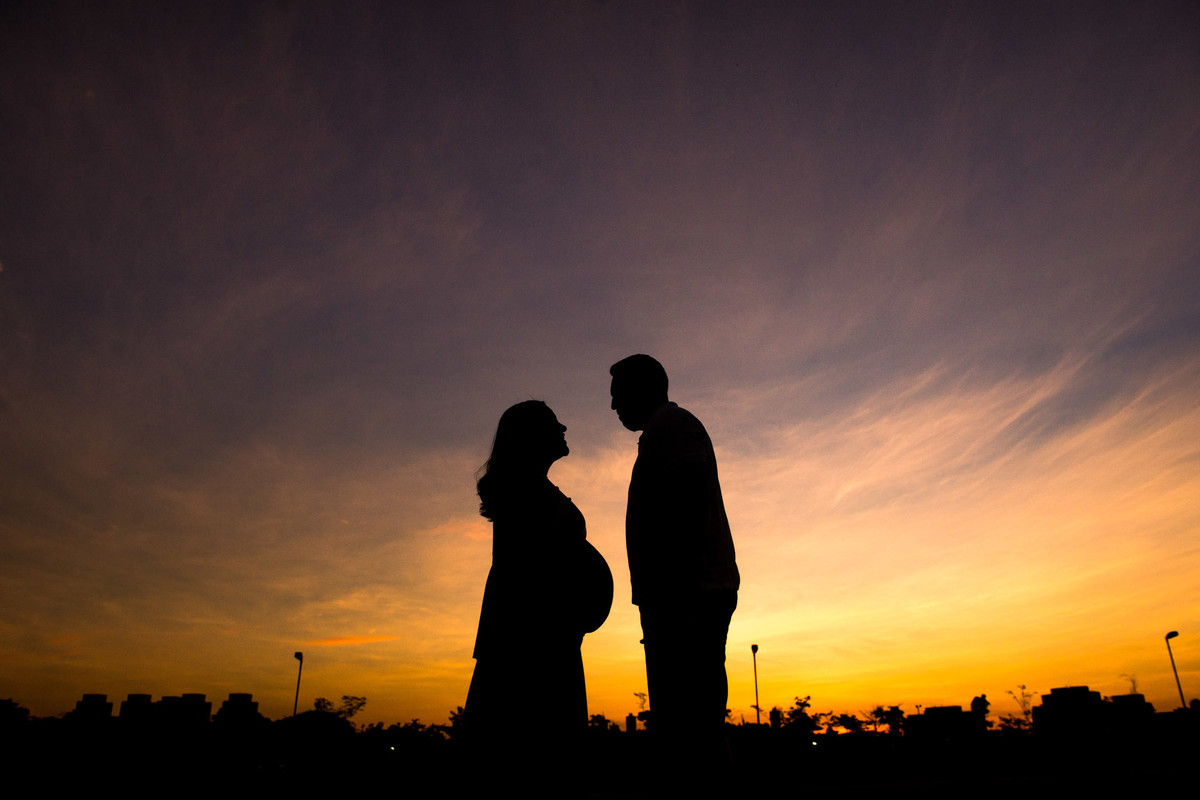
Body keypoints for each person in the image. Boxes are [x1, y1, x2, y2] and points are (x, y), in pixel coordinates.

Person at [463, 400, 612, 787]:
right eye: (551, 423)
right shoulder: (523, 495)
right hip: (531, 649)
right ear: (530, 438)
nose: (563, 427)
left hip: (551, 643)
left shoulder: (534, 490)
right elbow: (531, 575)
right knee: (532, 765)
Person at [609, 354, 739, 781]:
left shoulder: (670, 427)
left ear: (641, 389)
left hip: (688, 595)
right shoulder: (663, 432)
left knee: (689, 719)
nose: (613, 406)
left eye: (617, 395)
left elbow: (688, 499)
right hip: (686, 592)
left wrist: (672, 592)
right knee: (690, 718)